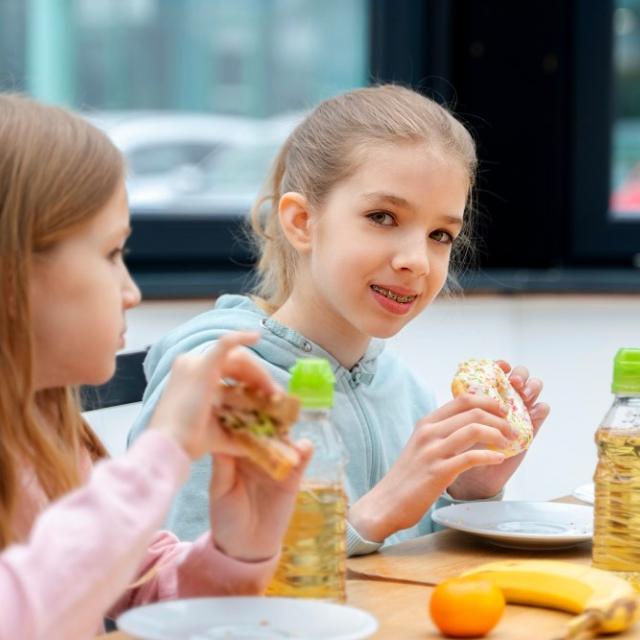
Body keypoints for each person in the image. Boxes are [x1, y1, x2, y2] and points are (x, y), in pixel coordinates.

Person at [129, 84, 550, 557]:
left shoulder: (403, 389)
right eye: (382, 216)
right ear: (302, 222)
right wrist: (371, 516)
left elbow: (407, 572)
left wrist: (471, 492)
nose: (418, 260)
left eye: (440, 234)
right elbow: (178, 592)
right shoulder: (223, 385)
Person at [0, 93, 311, 640]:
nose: (131, 292)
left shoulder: (44, 435)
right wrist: (163, 448)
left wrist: (239, 545)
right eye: (111, 253)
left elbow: (140, 582)